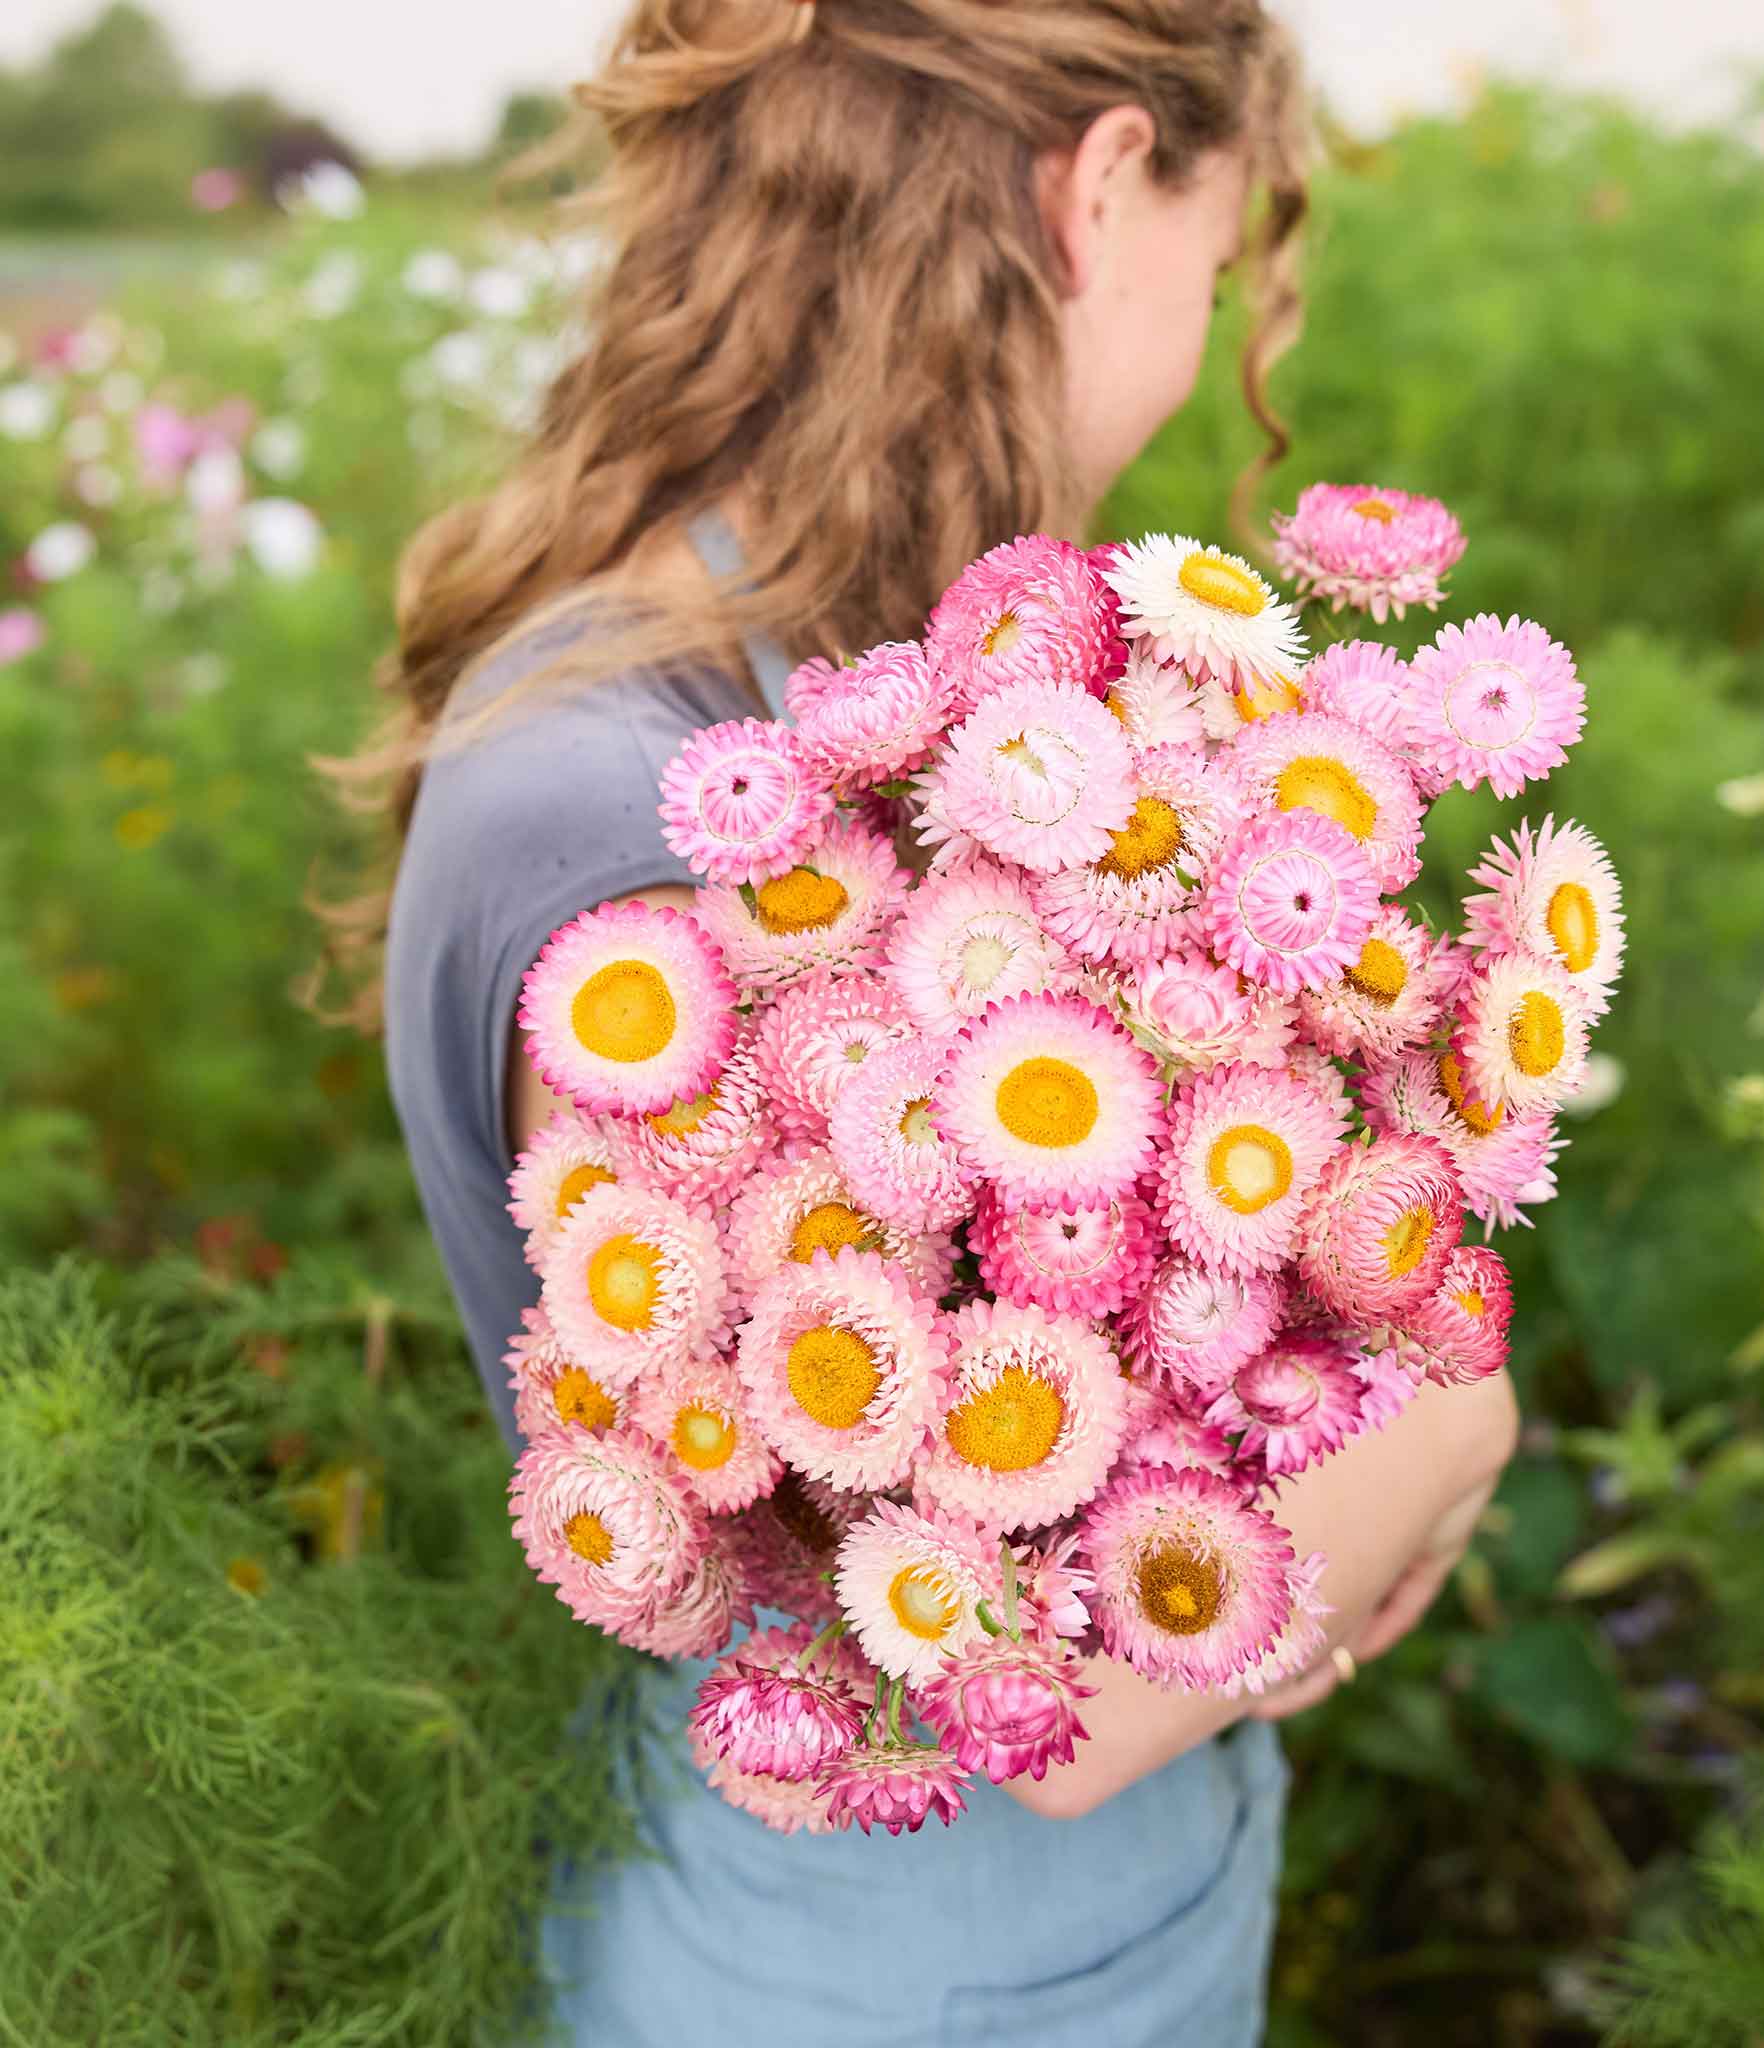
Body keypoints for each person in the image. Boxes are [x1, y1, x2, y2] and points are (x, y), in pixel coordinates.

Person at [332, 4, 1518, 2042]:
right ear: (1093, 187)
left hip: (1038, 1923)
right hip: (890, 1973)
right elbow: (1018, 1670)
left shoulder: (867, 668)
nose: (1211, 331)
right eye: (1216, 258)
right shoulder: (634, 808)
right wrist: (1464, 1413)